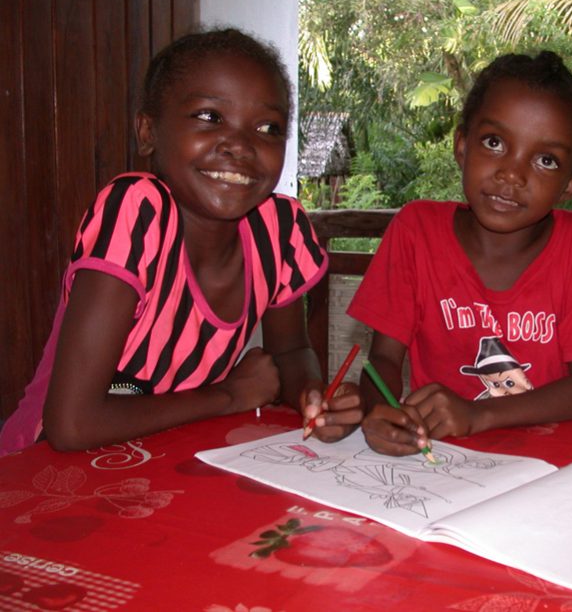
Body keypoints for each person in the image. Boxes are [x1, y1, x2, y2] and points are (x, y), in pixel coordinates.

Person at [0, 28, 362, 456]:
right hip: (46, 466)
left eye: (268, 127)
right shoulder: (137, 213)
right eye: (209, 117)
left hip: (166, 455)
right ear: (148, 132)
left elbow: (292, 352)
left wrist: (313, 396)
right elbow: (72, 424)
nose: (241, 145)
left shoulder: (279, 228)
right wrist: (229, 395)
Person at [348, 51, 572, 456]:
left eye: (546, 160)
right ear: (461, 146)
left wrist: (478, 415)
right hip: (442, 465)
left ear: (571, 184)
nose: (512, 174)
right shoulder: (417, 231)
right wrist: (383, 414)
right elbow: (383, 362)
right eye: (494, 143)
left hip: (549, 469)